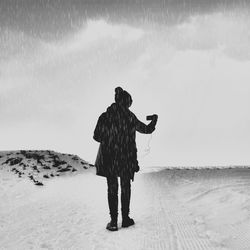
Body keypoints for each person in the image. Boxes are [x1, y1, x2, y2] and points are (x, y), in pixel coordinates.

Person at [93, 87, 158, 231]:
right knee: (125, 188)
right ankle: (126, 219)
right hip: (126, 159)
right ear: (127, 102)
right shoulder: (130, 117)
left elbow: (96, 136)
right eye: (130, 102)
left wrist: (110, 137)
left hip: (110, 158)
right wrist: (154, 121)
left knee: (112, 189)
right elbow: (146, 130)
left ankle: (114, 222)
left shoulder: (105, 116)